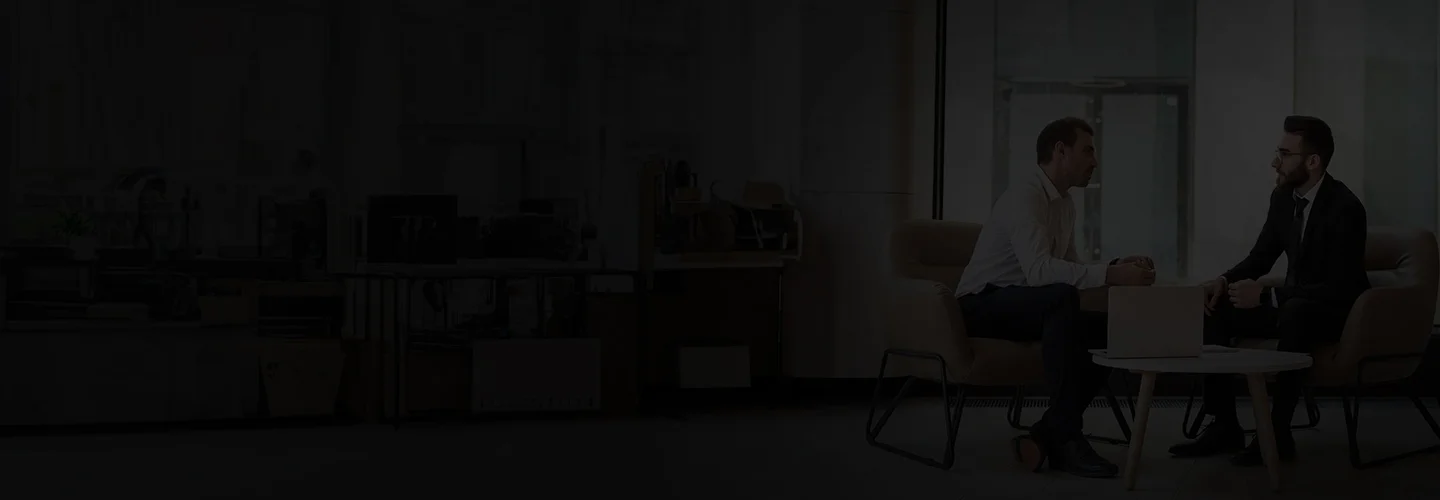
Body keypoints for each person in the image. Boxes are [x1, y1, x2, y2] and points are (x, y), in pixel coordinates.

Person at [955, 117, 1157, 478]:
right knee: (1061, 298)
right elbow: (1040, 272)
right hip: (981, 303)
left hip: (1027, 304)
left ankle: (1051, 431)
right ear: (1060, 151)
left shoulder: (1064, 204)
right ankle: (1065, 437)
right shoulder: (1026, 195)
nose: (1095, 161)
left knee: (1110, 330)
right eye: (1088, 151)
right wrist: (1112, 275)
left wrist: (1115, 266)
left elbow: (1069, 267)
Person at [1169, 115, 1369, 466]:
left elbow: (1339, 287)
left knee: (1296, 312)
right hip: (1291, 305)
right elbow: (1260, 258)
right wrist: (1223, 281)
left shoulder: (1346, 208)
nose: (1275, 162)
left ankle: (1276, 433)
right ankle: (1224, 425)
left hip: (1334, 311)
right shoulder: (1283, 199)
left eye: (1285, 154)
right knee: (1217, 305)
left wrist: (1266, 297)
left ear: (1313, 161)